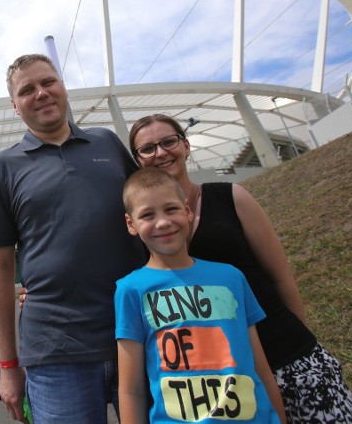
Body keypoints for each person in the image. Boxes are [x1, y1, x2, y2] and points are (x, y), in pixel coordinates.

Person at [128, 113, 352, 423]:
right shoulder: (147, 231)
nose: (160, 153)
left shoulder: (231, 197)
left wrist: (301, 343)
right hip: (226, 382)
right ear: (137, 160)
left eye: (168, 141)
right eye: (147, 148)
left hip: (287, 355)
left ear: (186, 146)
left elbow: (280, 276)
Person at [0, 53, 145, 424]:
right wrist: (9, 365)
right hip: (56, 353)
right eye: (27, 90)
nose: (41, 93)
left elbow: (152, 208)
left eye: (48, 82)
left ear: (63, 86)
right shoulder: (3, 168)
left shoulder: (107, 144)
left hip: (138, 334)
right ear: (14, 105)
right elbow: (0, 265)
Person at [115, 167, 286, 423]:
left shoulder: (231, 278)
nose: (162, 222)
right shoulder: (130, 289)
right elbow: (131, 390)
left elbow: (261, 369)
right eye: (148, 214)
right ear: (131, 224)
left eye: (171, 209)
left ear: (187, 209)